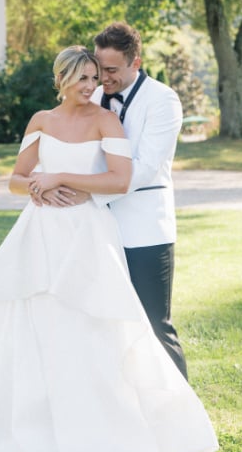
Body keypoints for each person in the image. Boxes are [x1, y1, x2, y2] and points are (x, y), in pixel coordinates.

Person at [0, 46, 218, 452]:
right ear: (62, 80)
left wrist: (61, 179)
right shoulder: (41, 121)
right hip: (41, 234)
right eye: (84, 79)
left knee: (94, 325)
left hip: (87, 234)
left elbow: (119, 179)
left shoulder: (104, 120)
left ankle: (100, 418)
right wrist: (36, 188)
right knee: (41, 323)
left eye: (96, 78)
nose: (93, 87)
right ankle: (41, 421)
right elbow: (15, 179)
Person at [35, 23, 188, 380]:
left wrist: (90, 190)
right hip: (94, 229)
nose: (103, 78)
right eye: (99, 69)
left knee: (153, 322)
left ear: (137, 62)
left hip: (145, 229)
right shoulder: (93, 94)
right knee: (103, 321)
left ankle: (180, 411)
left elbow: (147, 168)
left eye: (112, 70)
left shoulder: (163, 100)